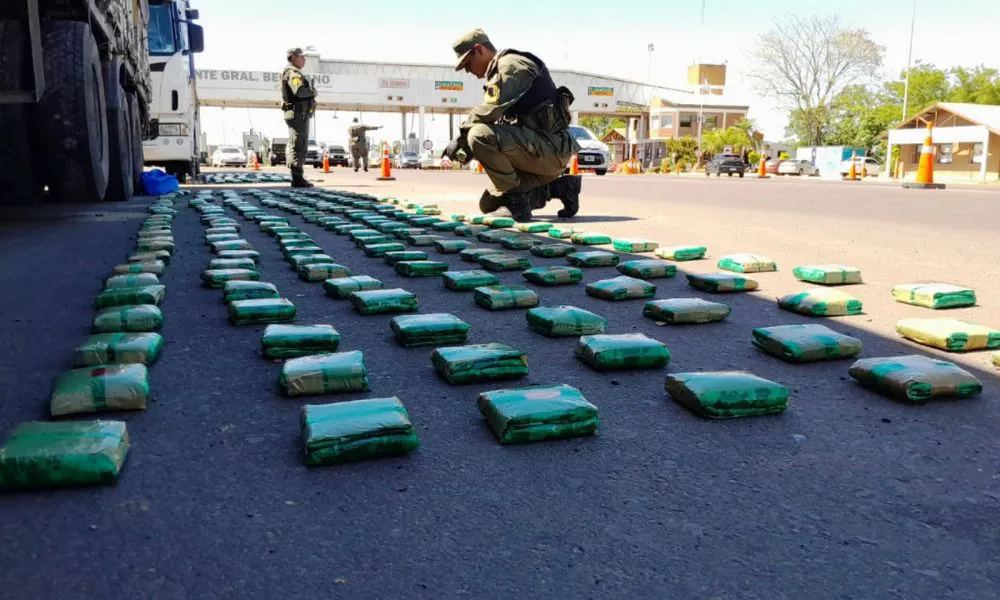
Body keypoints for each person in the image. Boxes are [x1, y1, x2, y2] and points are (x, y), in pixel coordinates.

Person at [441, 29, 582, 221]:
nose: (468, 70)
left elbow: (489, 111)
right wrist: (467, 150)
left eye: (467, 63)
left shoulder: (512, 65)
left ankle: (519, 207)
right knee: (489, 203)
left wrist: (460, 138)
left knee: (478, 134)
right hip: (536, 153)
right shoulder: (499, 72)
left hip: (551, 151)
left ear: (479, 50)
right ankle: (561, 188)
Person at [280, 47, 317, 188]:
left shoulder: (292, 72)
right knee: (299, 144)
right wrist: (312, 91)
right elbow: (299, 91)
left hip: (297, 113)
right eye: (302, 57)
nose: (304, 60)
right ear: (294, 57)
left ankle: (297, 176)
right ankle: (297, 177)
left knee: (297, 143)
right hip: (297, 114)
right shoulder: (293, 73)